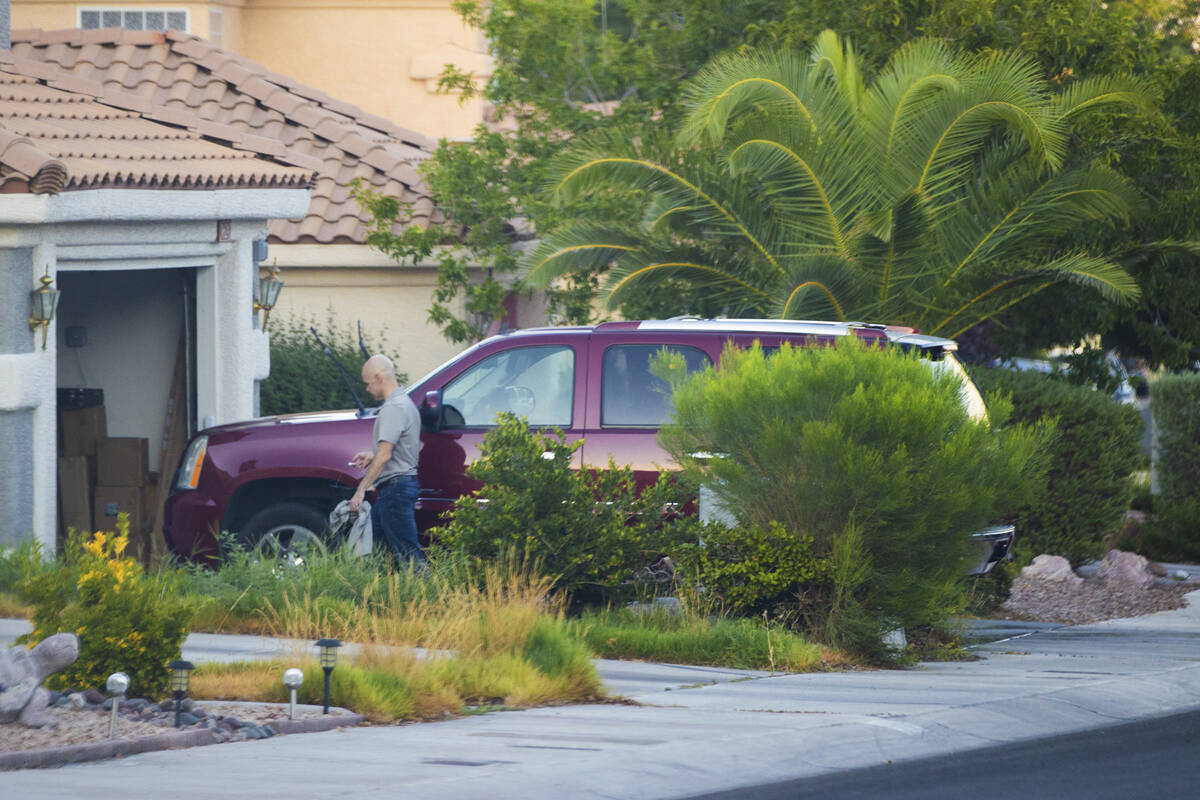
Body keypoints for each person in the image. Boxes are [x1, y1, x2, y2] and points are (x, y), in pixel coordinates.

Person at [349, 354, 426, 566]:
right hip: (398, 488)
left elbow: (385, 455)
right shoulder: (405, 403)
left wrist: (361, 489)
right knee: (377, 554)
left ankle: (431, 596)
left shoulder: (393, 408)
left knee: (407, 554)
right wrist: (373, 454)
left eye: (367, 384)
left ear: (377, 377)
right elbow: (397, 449)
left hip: (396, 489)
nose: (367, 389)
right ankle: (381, 595)